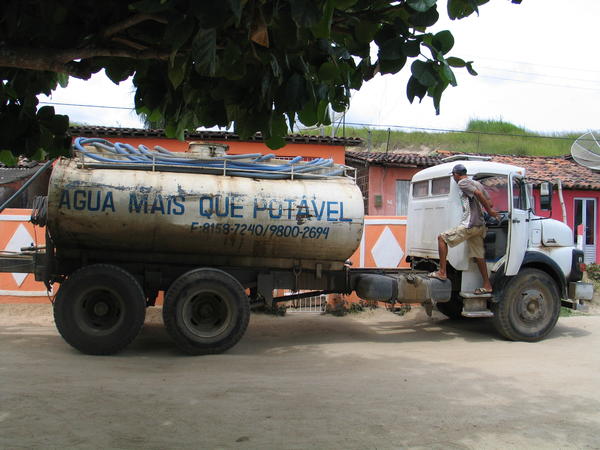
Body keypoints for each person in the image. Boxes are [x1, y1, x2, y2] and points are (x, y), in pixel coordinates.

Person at [429, 163, 499, 294]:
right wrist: (489, 209)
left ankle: (442, 272)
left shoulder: (462, 183)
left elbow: (478, 194)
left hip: (470, 225)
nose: (454, 178)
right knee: (479, 256)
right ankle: (487, 284)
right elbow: (489, 201)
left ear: (456, 174)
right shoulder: (477, 183)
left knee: (442, 238)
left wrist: (489, 211)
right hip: (479, 226)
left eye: (453, 175)